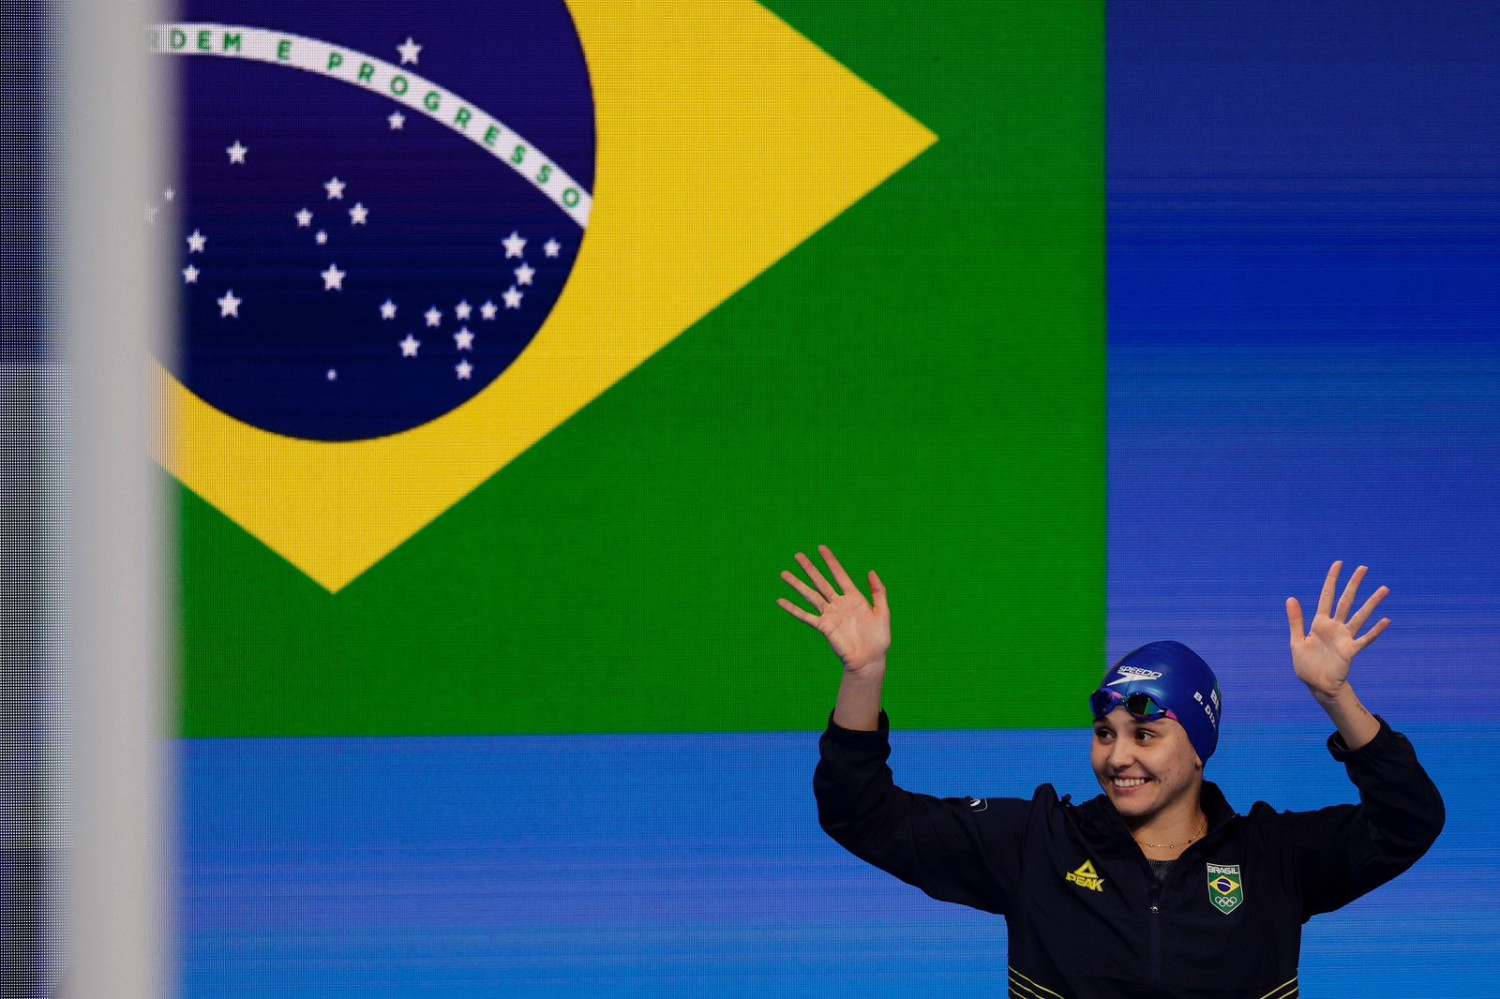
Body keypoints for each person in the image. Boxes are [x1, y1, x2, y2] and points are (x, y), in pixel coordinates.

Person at [779, 546, 1444, 999]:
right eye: (1105, 733)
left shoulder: (1275, 860)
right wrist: (863, 676)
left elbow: (1409, 820)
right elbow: (860, 812)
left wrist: (1337, 700)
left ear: (1199, 748)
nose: (1118, 755)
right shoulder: (1037, 844)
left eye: (1145, 734)